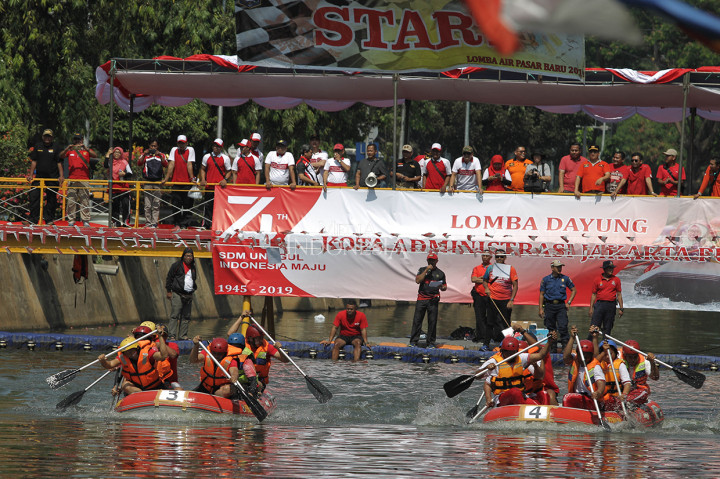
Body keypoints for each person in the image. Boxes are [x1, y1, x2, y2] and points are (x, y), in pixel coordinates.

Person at [482, 332, 557, 408]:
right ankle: (522, 408)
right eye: (507, 352)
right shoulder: (495, 362)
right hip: (503, 398)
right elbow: (483, 380)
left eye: (512, 352)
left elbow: (541, 356)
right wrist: (488, 398)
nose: (510, 355)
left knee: (539, 399)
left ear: (516, 351)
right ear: (502, 351)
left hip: (522, 395)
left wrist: (549, 342)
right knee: (515, 392)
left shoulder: (521, 358)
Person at [98, 333, 170, 396]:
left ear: (137, 348)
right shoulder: (123, 357)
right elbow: (110, 364)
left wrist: (160, 337)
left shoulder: (148, 353)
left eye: (131, 351)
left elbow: (163, 356)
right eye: (126, 352)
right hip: (138, 389)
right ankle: (142, 396)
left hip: (155, 386)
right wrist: (103, 361)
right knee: (125, 385)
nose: (129, 354)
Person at [408, 252, 447, 348]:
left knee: (432, 321)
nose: (431, 262)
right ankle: (413, 341)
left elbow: (445, 286)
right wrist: (426, 270)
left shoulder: (440, 273)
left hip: (433, 299)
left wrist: (441, 287)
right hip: (421, 299)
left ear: (436, 261)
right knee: (417, 320)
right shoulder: (422, 270)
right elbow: (418, 280)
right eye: (429, 260)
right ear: (427, 260)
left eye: (433, 260)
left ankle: (431, 342)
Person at [27, 129, 64, 225]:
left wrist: (61, 176)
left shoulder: (56, 147)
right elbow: (34, 161)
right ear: (43, 137)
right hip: (39, 177)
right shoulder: (38, 146)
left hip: (52, 177)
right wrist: (31, 175)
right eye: (46, 136)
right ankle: (33, 219)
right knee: (34, 196)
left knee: (52, 199)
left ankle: (49, 219)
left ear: (52, 137)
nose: (47, 138)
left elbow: (59, 162)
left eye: (49, 136)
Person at [538, 259, 577, 351]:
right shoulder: (546, 279)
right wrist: (540, 308)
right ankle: (552, 347)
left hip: (561, 306)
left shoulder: (565, 278)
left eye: (560, 267)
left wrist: (569, 302)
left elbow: (574, 290)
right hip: (549, 305)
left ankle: (565, 347)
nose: (559, 269)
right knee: (551, 327)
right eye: (557, 267)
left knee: (563, 326)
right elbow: (541, 294)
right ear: (552, 268)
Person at [60, 132, 97, 226]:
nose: (77, 141)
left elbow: (95, 155)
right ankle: (71, 220)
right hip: (72, 178)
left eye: (79, 139)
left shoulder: (86, 150)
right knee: (71, 201)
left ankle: (85, 220)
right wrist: (67, 148)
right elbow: (61, 156)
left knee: (84, 200)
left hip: (84, 178)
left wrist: (85, 148)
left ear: (82, 140)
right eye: (75, 139)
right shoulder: (70, 151)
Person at [482, 249, 518, 341]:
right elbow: (485, 280)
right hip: (493, 298)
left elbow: (515, 285)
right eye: (497, 256)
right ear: (495, 258)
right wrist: (486, 288)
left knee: (505, 322)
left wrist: (511, 300)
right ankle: (486, 343)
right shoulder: (490, 268)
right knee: (490, 322)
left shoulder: (511, 268)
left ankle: (507, 343)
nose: (499, 258)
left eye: (501, 256)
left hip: (505, 299)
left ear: (505, 257)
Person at [562, 325, 599, 410]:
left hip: (591, 398)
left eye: (587, 356)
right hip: (577, 396)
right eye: (583, 355)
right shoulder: (575, 360)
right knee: (567, 398)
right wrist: (572, 338)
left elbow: (596, 356)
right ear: (578, 354)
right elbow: (565, 357)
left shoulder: (595, 365)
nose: (584, 358)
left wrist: (595, 338)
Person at [162, 135, 196, 227]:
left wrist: (192, 178)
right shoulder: (174, 150)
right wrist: (167, 178)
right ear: (177, 143)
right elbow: (171, 164)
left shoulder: (190, 150)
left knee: (187, 204)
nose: (181, 145)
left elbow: (189, 164)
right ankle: (176, 222)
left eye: (183, 143)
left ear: (186, 143)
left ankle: (185, 223)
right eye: (180, 143)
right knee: (176, 204)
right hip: (176, 181)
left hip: (187, 182)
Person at [243, 325, 290, 392]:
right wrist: (241, 318)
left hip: (259, 381)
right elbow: (229, 334)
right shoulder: (242, 344)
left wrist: (279, 349)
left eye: (261, 338)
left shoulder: (267, 347)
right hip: (244, 378)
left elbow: (285, 360)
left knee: (256, 385)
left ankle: (255, 395)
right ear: (250, 338)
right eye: (258, 338)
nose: (261, 340)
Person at [592, 337, 632, 412]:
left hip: (615, 397)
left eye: (610, 354)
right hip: (602, 396)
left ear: (615, 353)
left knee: (609, 401)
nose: (607, 357)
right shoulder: (598, 364)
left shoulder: (620, 365)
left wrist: (624, 394)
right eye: (605, 354)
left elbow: (627, 383)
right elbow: (594, 361)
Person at [165, 247, 197, 340]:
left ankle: (183, 335)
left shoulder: (193, 267)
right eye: (187, 255)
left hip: (189, 294)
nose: (189, 258)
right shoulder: (177, 265)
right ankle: (172, 335)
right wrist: (168, 291)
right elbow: (169, 278)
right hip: (177, 293)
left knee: (186, 316)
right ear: (183, 256)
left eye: (191, 256)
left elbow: (193, 279)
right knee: (175, 315)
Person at [199, 138, 232, 227]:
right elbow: (202, 169)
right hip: (209, 187)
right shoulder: (207, 157)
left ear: (221, 147)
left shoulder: (225, 158)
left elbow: (229, 171)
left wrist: (225, 179)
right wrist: (203, 179)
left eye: (218, 146)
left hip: (220, 189)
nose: (216, 148)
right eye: (215, 145)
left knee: (220, 207)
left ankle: (219, 225)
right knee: (208, 207)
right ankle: (206, 225)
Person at [137, 139, 167, 228]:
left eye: (155, 146)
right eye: (151, 146)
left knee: (156, 204)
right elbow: (139, 163)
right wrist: (144, 154)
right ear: (149, 146)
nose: (153, 148)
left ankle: (154, 223)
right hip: (147, 181)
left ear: (157, 147)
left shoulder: (161, 155)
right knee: (147, 205)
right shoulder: (146, 155)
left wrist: (160, 156)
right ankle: (148, 222)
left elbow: (165, 164)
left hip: (157, 182)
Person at [589, 260, 623, 337]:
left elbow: (619, 294)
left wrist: (621, 308)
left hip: (611, 305)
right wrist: (591, 308)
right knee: (594, 326)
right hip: (599, 305)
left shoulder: (616, 279)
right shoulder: (597, 279)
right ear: (604, 269)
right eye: (609, 268)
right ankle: (590, 344)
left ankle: (605, 344)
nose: (611, 270)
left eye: (612, 268)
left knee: (608, 327)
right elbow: (594, 294)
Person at [620, 339, 660, 405]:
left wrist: (652, 362)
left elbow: (655, 377)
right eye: (630, 357)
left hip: (638, 391)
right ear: (625, 355)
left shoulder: (645, 361)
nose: (632, 360)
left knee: (643, 393)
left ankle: (628, 402)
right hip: (623, 390)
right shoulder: (618, 358)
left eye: (635, 357)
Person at [104, 146, 133, 227]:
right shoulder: (110, 161)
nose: (117, 154)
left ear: (121, 154)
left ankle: (125, 221)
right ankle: (116, 222)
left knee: (125, 204)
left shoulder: (124, 162)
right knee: (115, 205)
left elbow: (130, 173)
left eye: (119, 152)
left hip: (123, 187)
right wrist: (107, 154)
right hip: (113, 187)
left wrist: (124, 174)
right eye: (115, 152)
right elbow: (106, 165)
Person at [226, 333, 261, 397]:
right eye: (232, 346)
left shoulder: (246, 358)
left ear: (242, 347)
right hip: (227, 383)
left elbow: (253, 379)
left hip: (243, 384)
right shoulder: (224, 354)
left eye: (237, 346)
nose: (234, 350)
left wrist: (251, 393)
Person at [470, 250, 493, 347]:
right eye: (483, 255)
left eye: (487, 256)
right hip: (478, 295)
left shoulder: (493, 267)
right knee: (479, 316)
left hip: (490, 295)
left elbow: (492, 279)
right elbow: (473, 279)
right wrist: (484, 279)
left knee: (491, 317)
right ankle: (481, 336)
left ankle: (490, 336)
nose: (484, 257)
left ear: (490, 257)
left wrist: (481, 278)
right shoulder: (477, 268)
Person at [155, 323, 181, 390]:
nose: (162, 337)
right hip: (153, 381)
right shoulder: (149, 346)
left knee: (179, 389)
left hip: (171, 381)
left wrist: (161, 343)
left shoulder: (173, 345)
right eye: (159, 335)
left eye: (164, 335)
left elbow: (173, 355)